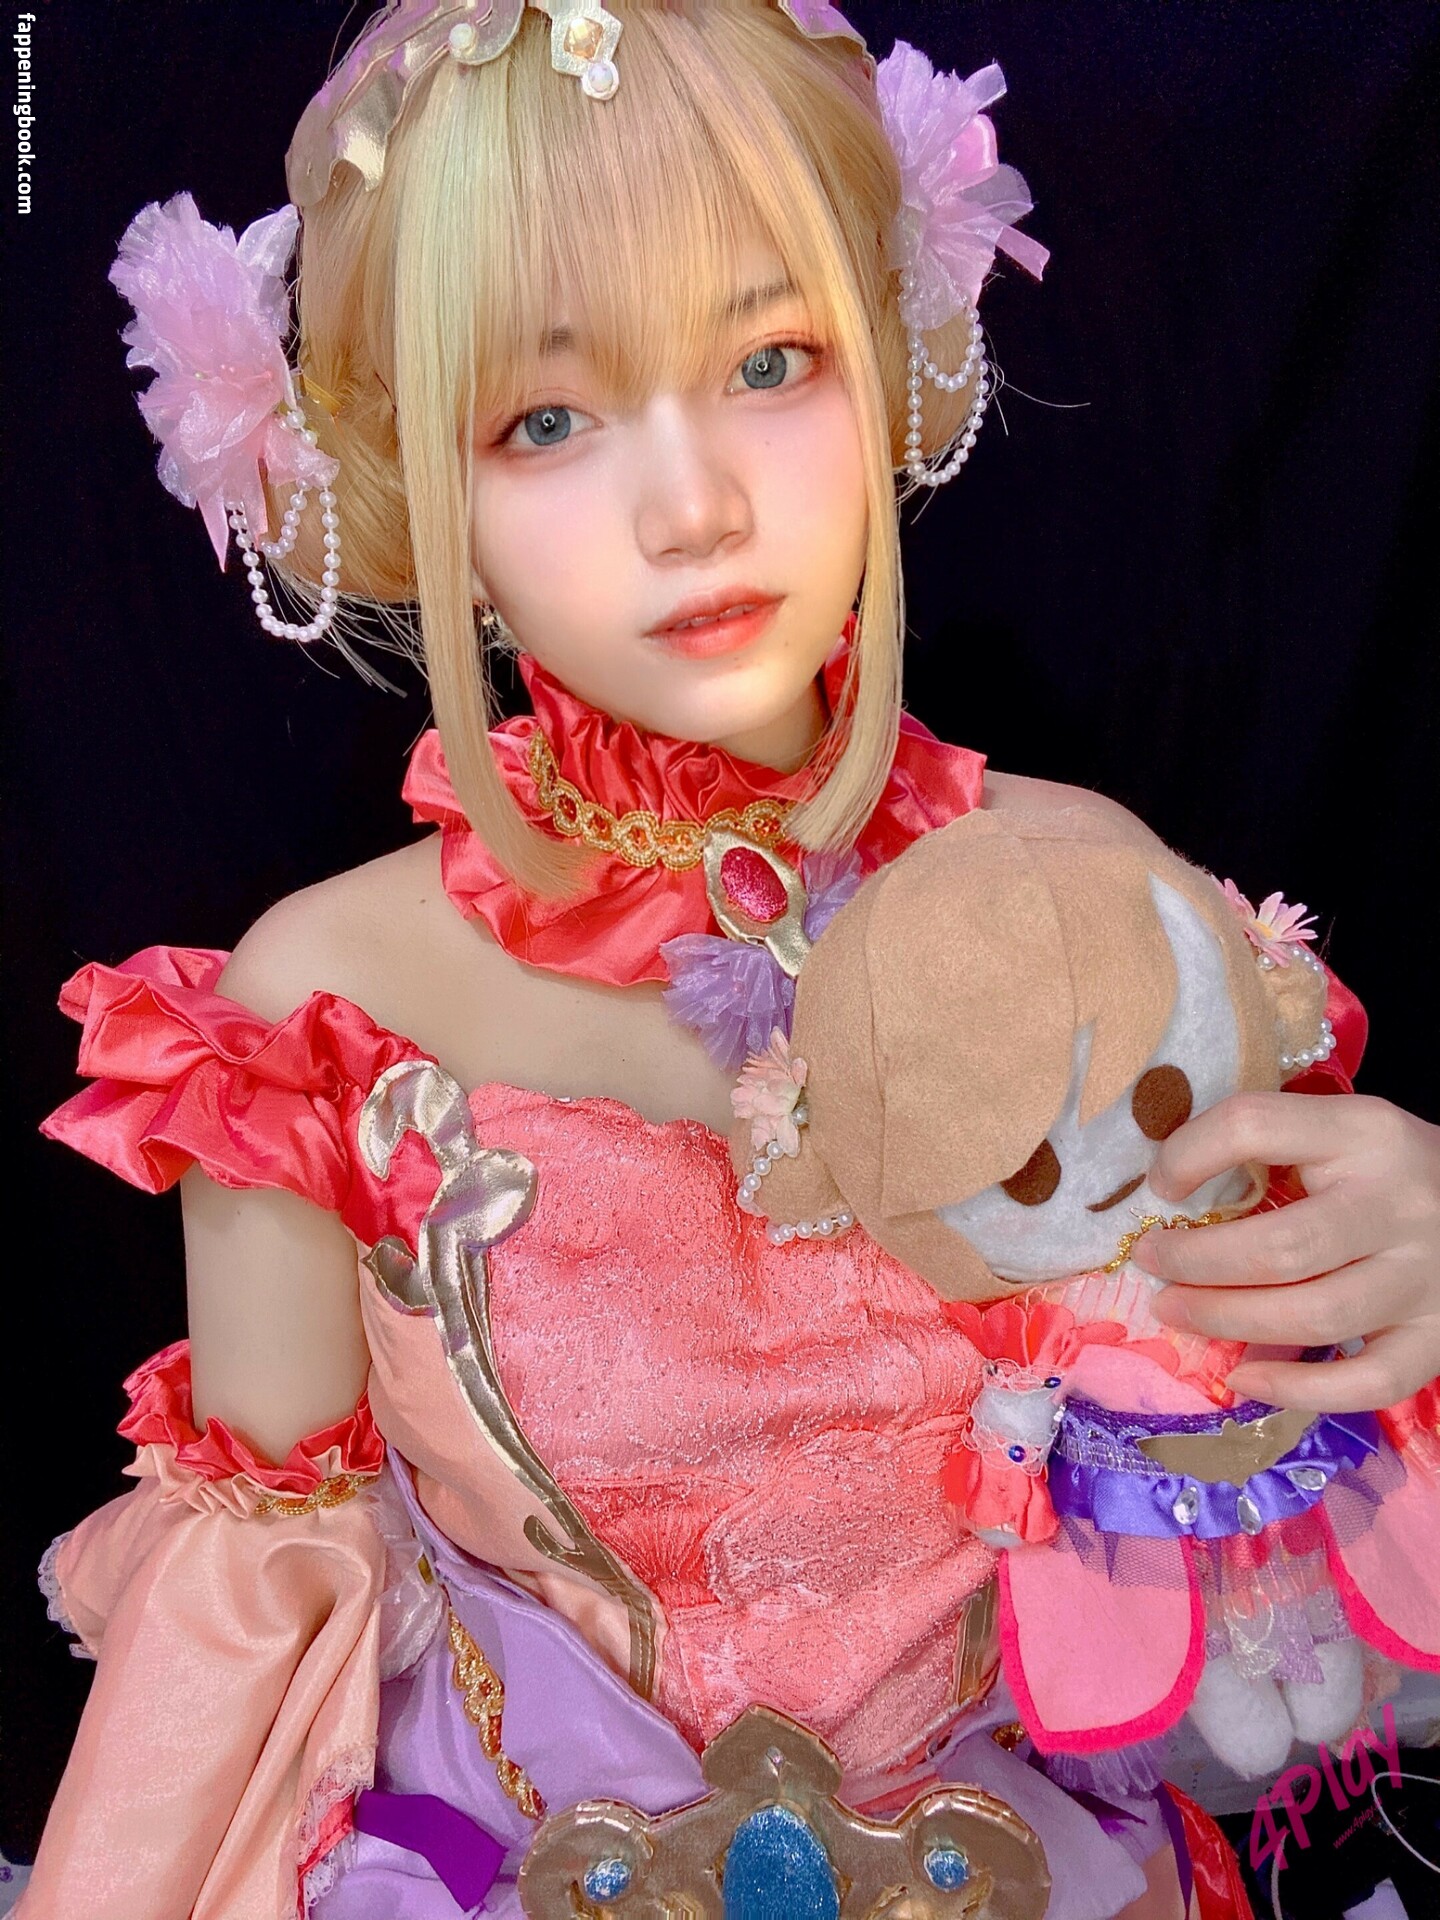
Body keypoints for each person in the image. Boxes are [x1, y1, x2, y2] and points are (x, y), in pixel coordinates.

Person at [18, 5, 1440, 1917]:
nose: (692, 508)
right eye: (546, 419)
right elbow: (254, 1634)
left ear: (886, 348)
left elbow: (1260, 1448)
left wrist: (1402, 1305)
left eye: (770, 360)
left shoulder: (1096, 899)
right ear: (418, 488)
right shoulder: (315, 1016)